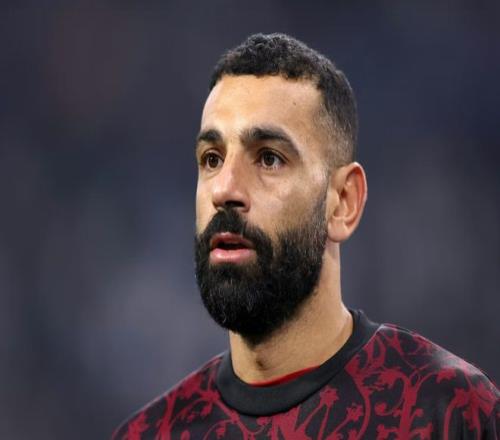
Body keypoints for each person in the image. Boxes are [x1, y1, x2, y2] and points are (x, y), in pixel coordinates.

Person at [112, 33, 499, 439]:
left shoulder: (450, 412)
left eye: (269, 158)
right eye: (212, 159)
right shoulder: (149, 434)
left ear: (343, 201)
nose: (225, 189)